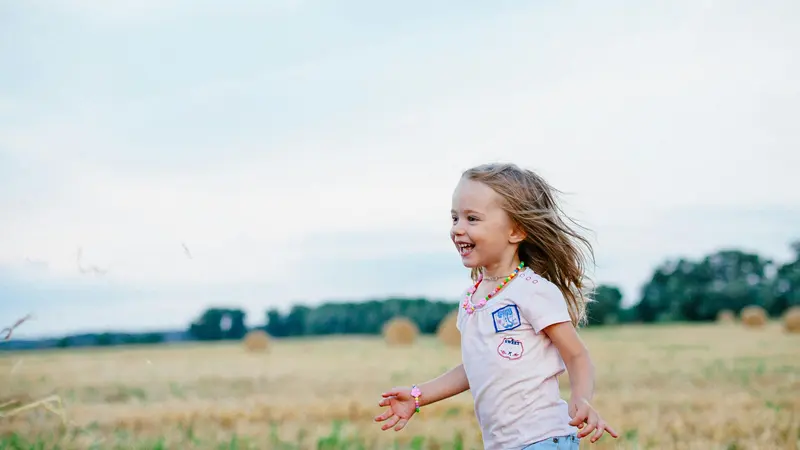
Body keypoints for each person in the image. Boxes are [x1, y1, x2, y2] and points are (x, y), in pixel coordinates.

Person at [374, 163, 619, 450]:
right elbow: (478, 366)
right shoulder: (472, 299)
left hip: (543, 439)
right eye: (455, 218)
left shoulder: (533, 291)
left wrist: (581, 398)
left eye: (472, 219)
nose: (457, 229)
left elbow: (576, 355)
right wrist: (419, 395)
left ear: (516, 231)